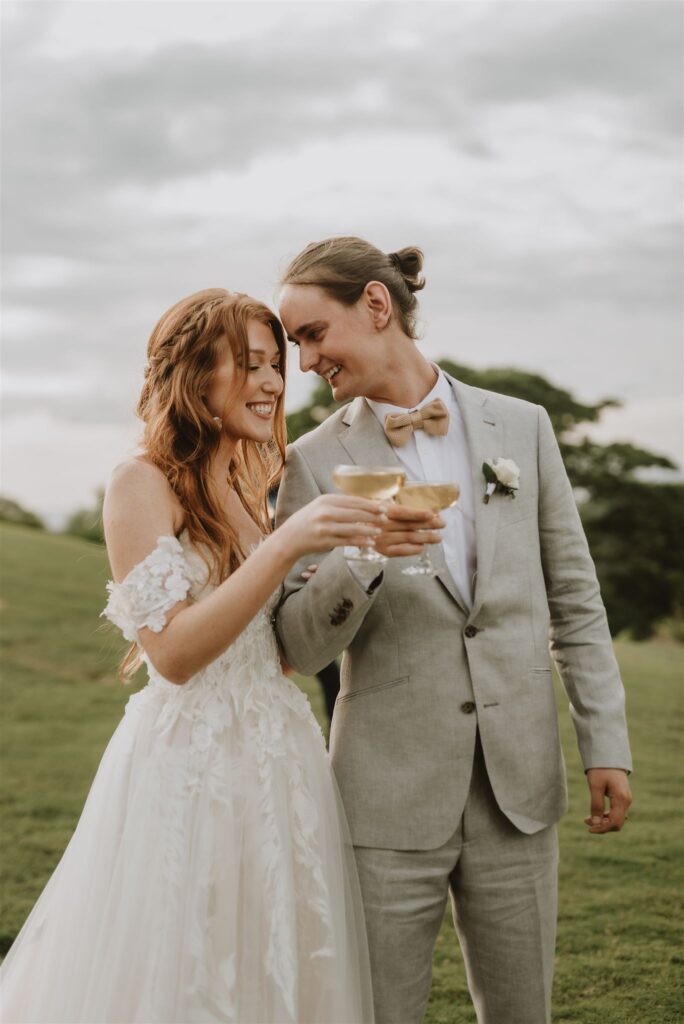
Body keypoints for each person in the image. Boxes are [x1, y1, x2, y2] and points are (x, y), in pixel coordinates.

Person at [274, 237, 634, 1024]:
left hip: (520, 790)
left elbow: (575, 596)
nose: (304, 362)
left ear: (375, 304)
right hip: (383, 797)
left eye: (311, 334)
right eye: (296, 343)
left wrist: (605, 743)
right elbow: (299, 647)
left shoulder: (523, 427)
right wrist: (361, 558)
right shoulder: (307, 461)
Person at [0, 288, 381, 1024]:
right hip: (188, 765)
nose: (273, 383)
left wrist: (359, 556)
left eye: (276, 365)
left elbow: (277, 651)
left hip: (277, 755)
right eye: (250, 364)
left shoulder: (250, 485)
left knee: (282, 952)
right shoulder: (140, 483)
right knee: (186, 960)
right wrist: (283, 547)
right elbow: (173, 654)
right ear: (193, 374)